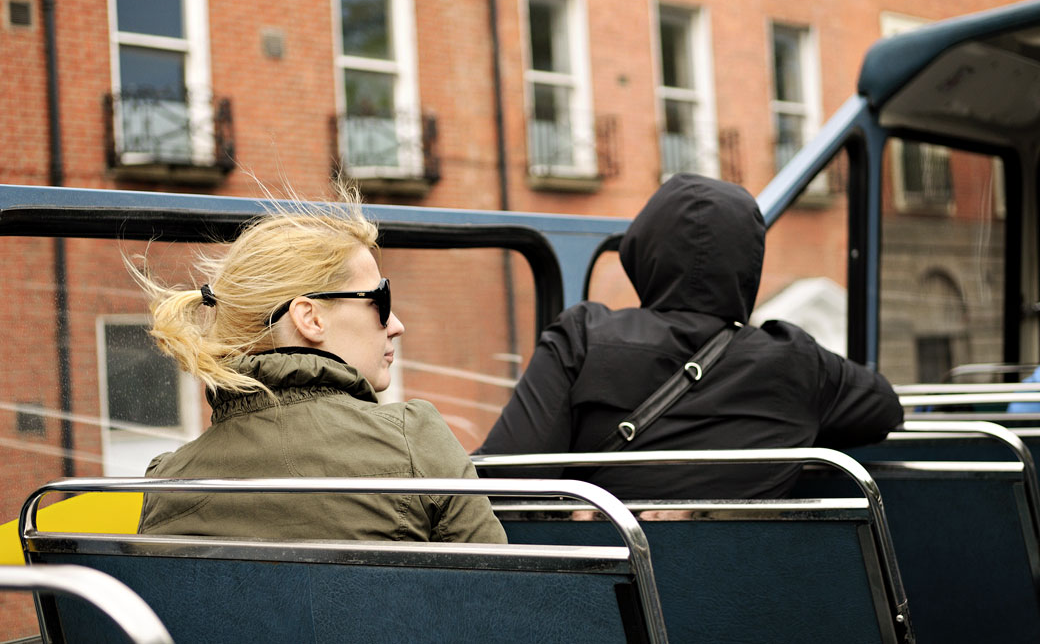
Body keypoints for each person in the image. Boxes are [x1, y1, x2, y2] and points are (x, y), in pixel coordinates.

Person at [476, 174, 903, 500]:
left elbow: (506, 477)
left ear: (642, 254)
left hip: (607, 597)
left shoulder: (583, 336)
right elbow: (885, 409)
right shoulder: (799, 364)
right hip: (745, 601)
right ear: (748, 266)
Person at [131, 192, 506, 543]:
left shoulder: (165, 483)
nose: (396, 325)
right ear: (309, 318)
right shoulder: (416, 440)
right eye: (381, 300)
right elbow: (501, 598)